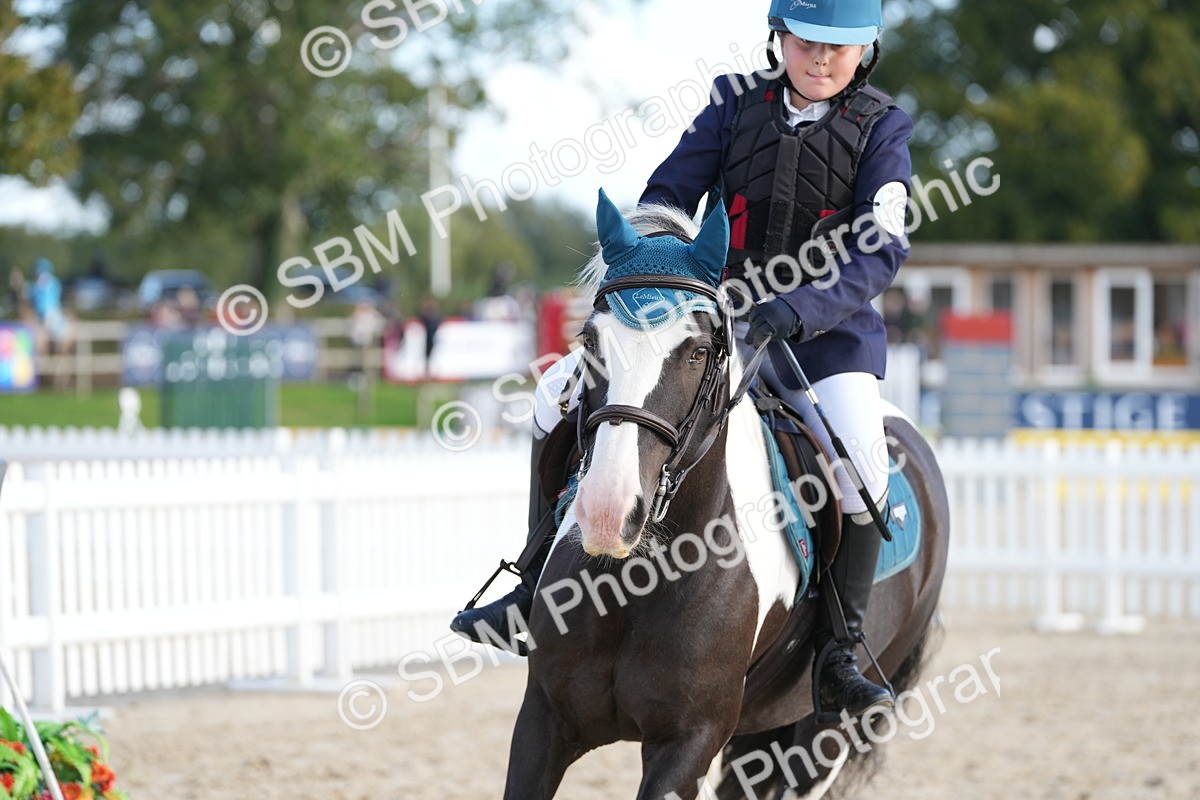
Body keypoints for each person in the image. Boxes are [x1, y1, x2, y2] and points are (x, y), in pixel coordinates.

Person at [452, 0, 911, 719]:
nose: (821, 60)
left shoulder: (884, 126)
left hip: (825, 336)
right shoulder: (732, 105)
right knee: (555, 397)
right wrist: (666, 273)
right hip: (705, 324)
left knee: (860, 465)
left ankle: (840, 652)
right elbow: (667, 195)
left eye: (839, 48)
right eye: (807, 42)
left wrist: (795, 310)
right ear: (780, 39)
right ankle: (532, 578)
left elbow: (879, 248)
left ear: (865, 53)